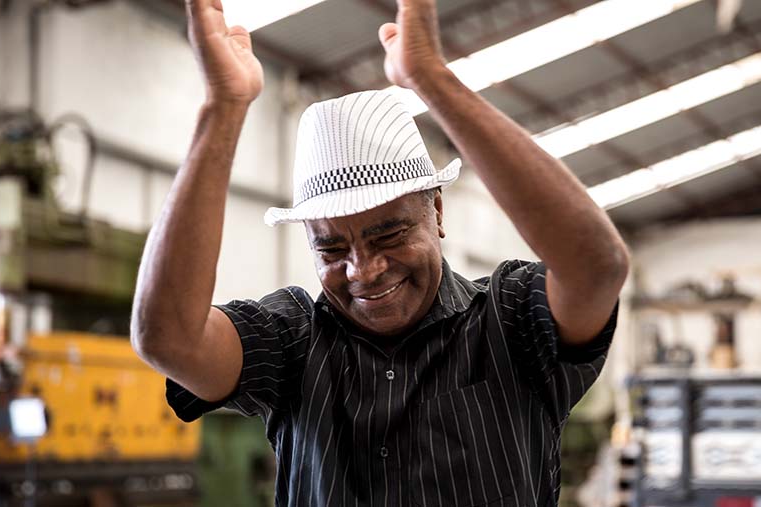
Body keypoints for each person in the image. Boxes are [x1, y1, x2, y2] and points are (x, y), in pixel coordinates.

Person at [130, 0, 629, 505]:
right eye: (331, 248)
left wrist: (431, 79)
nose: (363, 270)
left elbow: (598, 267)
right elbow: (167, 339)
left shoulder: (510, 319)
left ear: (436, 210)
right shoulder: (291, 342)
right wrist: (223, 108)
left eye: (388, 236)